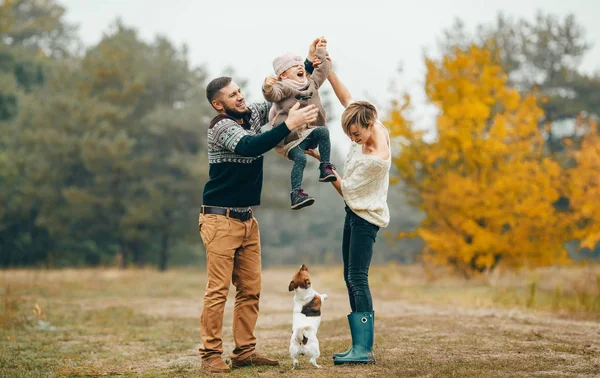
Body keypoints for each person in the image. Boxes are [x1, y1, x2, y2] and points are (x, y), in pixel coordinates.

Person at [198, 71, 319, 373]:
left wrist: (307, 65)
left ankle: (244, 352)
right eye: (232, 95)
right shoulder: (220, 127)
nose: (240, 97)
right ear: (218, 104)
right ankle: (210, 354)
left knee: (251, 289)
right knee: (218, 291)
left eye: (239, 91)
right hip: (219, 220)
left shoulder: (250, 113)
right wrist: (289, 126)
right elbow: (251, 146)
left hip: (247, 221)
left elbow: (284, 94)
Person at [305, 58, 391, 365]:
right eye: (349, 133)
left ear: (368, 126)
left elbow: (346, 189)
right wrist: (326, 68)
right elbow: (346, 98)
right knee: (350, 276)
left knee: (357, 278)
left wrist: (322, 162)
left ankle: (363, 350)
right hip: (353, 213)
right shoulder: (369, 122)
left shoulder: (375, 160)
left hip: (365, 217)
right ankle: (359, 346)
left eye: (356, 135)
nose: (353, 138)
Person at [262, 38, 337, 210]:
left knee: (324, 133)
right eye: (293, 66)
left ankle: (325, 167)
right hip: (289, 138)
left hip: (308, 132)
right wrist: (267, 87)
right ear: (283, 74)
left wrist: (321, 51)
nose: (300, 67)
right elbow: (272, 95)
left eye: (300, 65)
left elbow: (323, 70)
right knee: (301, 159)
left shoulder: (311, 83)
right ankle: (296, 194)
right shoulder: (284, 87)